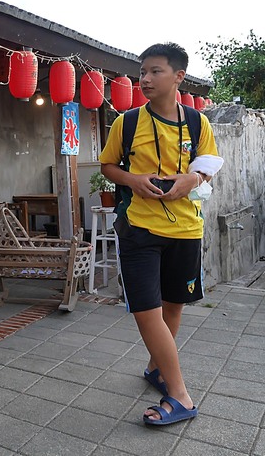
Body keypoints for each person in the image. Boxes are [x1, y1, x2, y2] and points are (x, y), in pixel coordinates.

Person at [99, 43, 220, 426]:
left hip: (186, 227)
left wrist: (194, 178)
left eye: (155, 72)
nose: (145, 79)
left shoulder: (199, 123)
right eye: (143, 73)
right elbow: (107, 165)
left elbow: (208, 166)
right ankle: (180, 394)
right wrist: (132, 179)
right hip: (140, 228)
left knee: (172, 305)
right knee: (146, 311)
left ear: (178, 77)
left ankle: (156, 368)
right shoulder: (128, 122)